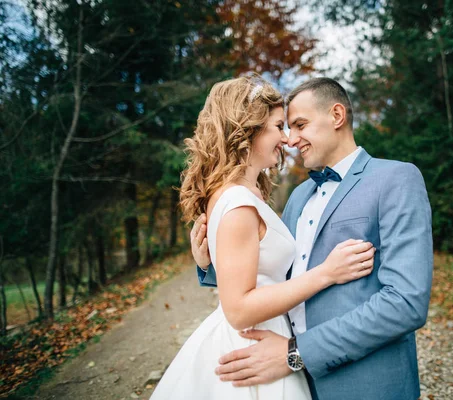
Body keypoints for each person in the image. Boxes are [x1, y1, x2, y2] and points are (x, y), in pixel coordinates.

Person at [194, 77, 433, 400]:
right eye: (286, 128)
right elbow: (270, 272)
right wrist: (209, 265)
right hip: (297, 385)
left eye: (300, 125)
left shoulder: (396, 179)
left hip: (367, 383)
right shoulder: (299, 196)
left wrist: (297, 353)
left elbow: (405, 303)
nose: (291, 140)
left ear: (337, 116)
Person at [149, 76, 375, 400]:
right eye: (278, 126)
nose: (286, 138)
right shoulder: (238, 202)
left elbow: (256, 268)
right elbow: (238, 308)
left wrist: (207, 264)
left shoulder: (248, 193)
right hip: (253, 341)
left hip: (271, 334)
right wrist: (327, 273)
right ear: (249, 129)